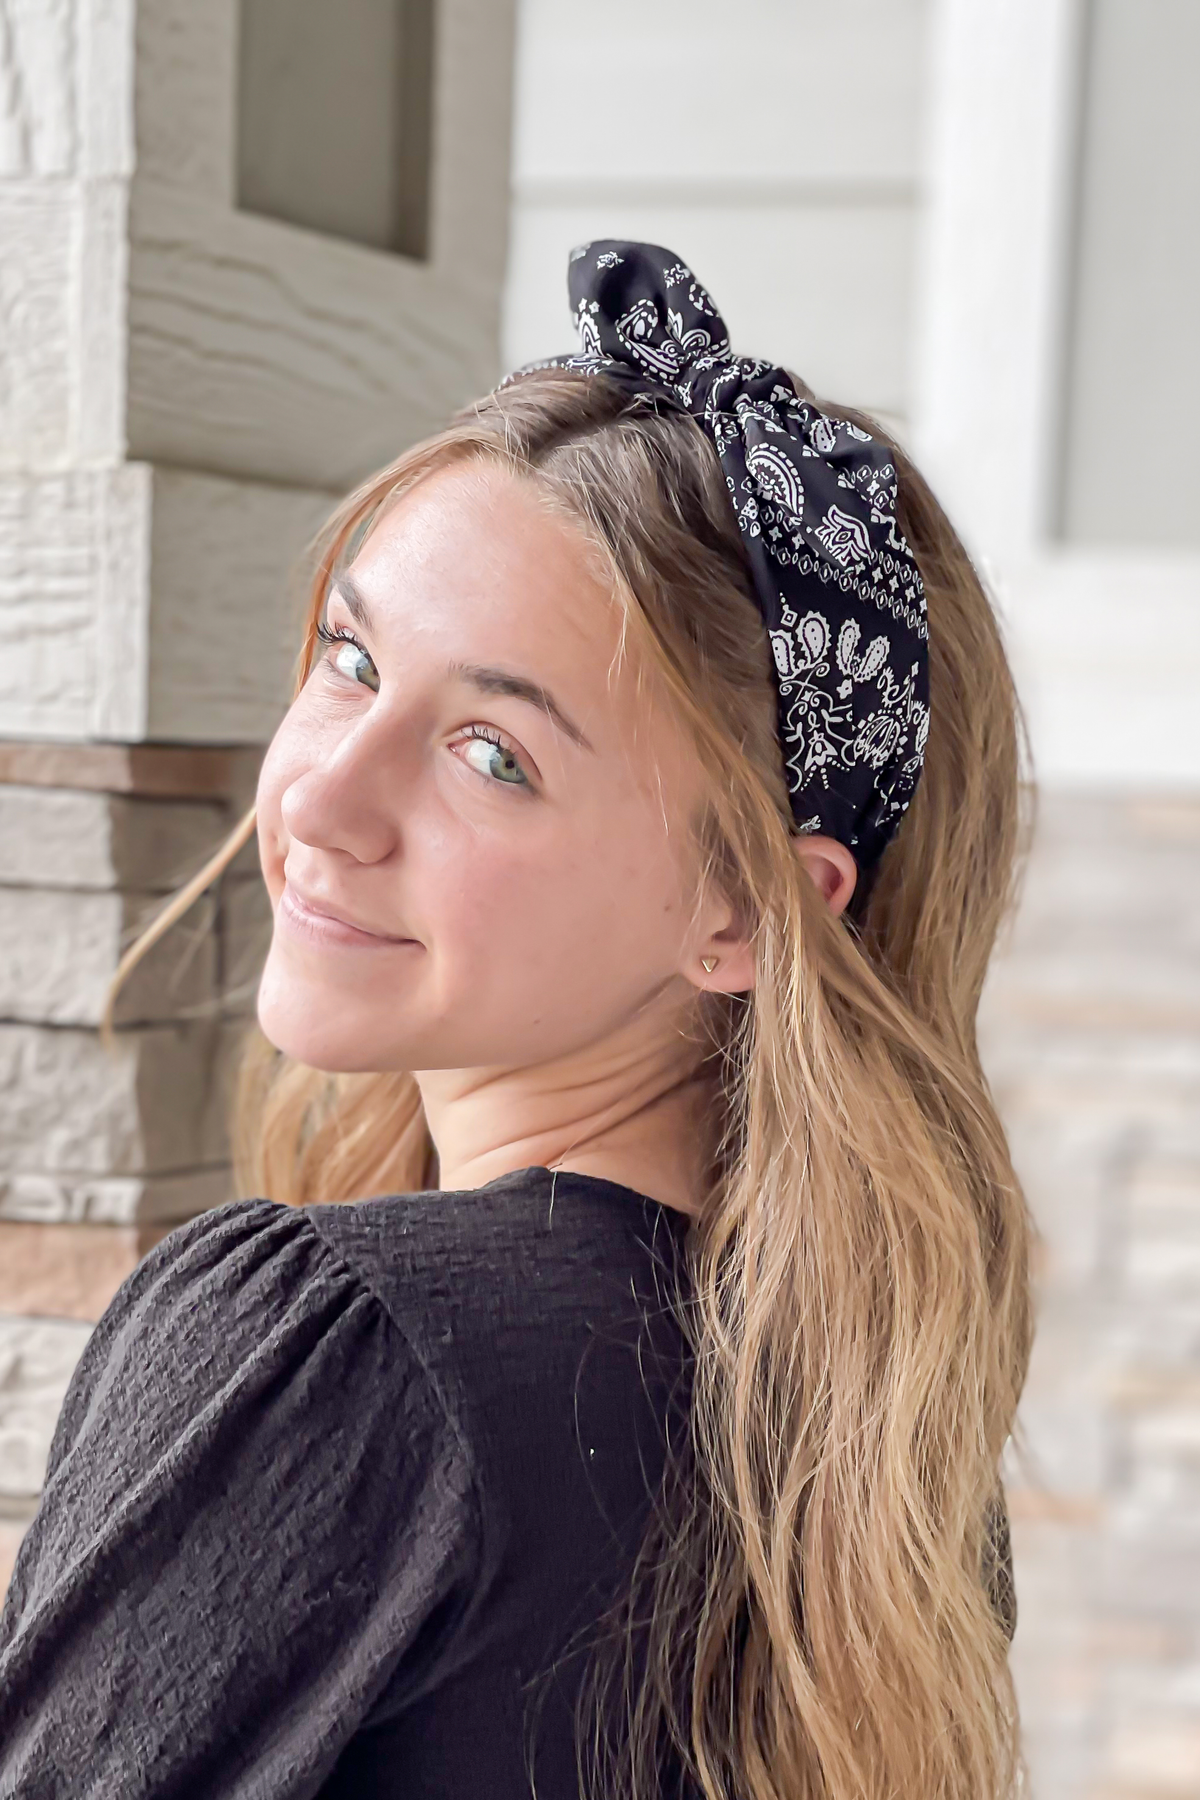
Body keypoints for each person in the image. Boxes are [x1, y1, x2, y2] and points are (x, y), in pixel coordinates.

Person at [0, 243, 1033, 1800]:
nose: (322, 800)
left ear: (746, 910)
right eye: (352, 662)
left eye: (494, 754)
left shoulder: (346, 1357)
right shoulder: (876, 1489)